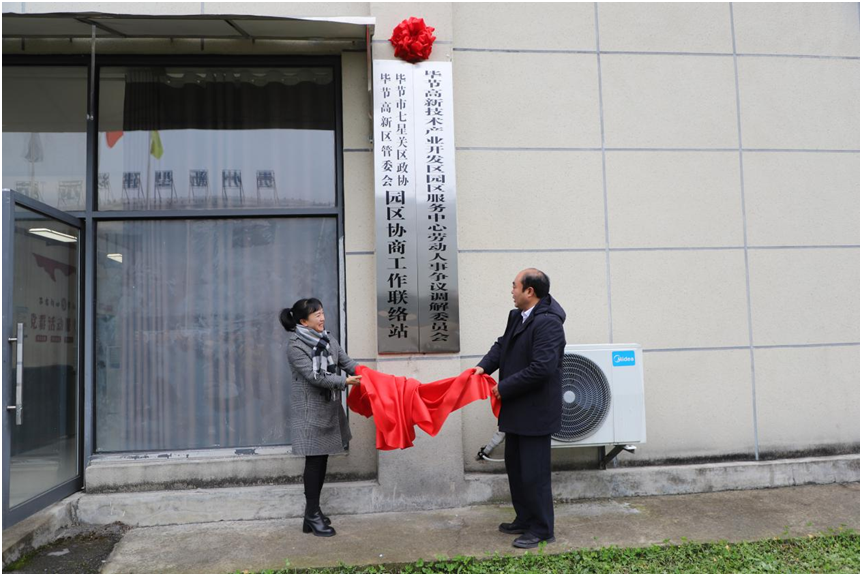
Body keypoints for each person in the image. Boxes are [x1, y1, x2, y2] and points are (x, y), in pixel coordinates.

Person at [473, 268, 566, 549]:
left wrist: (505, 387)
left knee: (535, 474)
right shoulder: (518, 316)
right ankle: (525, 518)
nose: (511, 291)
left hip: (536, 411)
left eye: (515, 286)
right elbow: (503, 345)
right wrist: (483, 367)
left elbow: (542, 368)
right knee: (516, 467)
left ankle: (542, 529)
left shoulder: (548, 323)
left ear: (530, 291)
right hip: (516, 408)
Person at [280, 298, 362, 537]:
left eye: (322, 313)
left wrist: (368, 375)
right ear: (303, 321)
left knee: (321, 459)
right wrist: (345, 381)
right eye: (317, 315)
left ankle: (312, 514)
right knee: (314, 461)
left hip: (328, 407)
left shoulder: (327, 338)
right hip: (310, 412)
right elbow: (315, 377)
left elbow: (346, 362)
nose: (322, 318)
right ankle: (313, 514)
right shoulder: (295, 346)